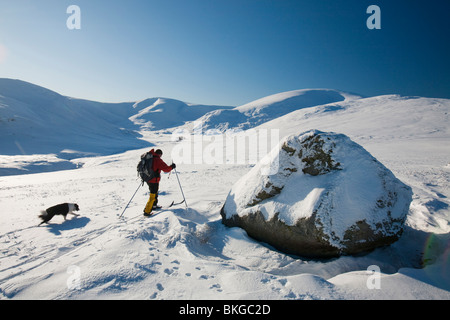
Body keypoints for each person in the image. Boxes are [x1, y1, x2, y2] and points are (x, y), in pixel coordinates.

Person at [143, 149, 176, 216]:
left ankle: (154, 205)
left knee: (155, 192)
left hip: (148, 179)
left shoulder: (150, 158)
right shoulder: (157, 160)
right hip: (153, 180)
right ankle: (147, 211)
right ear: (160, 154)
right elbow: (165, 169)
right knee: (153, 194)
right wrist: (172, 167)